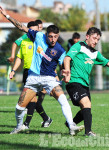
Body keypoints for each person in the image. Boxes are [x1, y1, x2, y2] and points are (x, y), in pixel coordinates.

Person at [0, 6, 84, 135]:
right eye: (50, 37)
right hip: (33, 77)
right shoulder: (38, 36)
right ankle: (19, 126)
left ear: (58, 36)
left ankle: (71, 126)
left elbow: (63, 64)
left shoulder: (61, 50)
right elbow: (21, 27)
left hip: (49, 78)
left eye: (55, 37)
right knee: (19, 108)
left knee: (62, 100)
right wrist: (7, 16)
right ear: (46, 35)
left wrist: (66, 71)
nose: (53, 39)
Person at [62, 27, 109, 136]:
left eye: (98, 39)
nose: (96, 41)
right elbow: (67, 58)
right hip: (74, 81)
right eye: (94, 38)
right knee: (86, 103)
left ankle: (70, 124)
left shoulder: (95, 53)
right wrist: (68, 72)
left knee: (86, 109)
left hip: (85, 84)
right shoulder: (79, 46)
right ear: (87, 37)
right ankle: (88, 132)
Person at [9, 21, 52, 131]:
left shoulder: (40, 41)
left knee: (31, 98)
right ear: (27, 30)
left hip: (38, 73)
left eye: (37, 30)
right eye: (33, 30)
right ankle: (46, 118)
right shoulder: (24, 41)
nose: (35, 32)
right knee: (31, 99)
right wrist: (13, 70)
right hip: (26, 72)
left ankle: (27, 124)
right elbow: (19, 58)